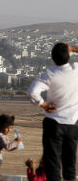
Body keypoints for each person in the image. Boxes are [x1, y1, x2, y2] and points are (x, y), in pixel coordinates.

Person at [28, 42, 78, 181]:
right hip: (72, 125)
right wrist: (73, 48)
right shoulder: (76, 70)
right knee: (70, 164)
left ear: (52, 57)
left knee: (52, 163)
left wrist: (43, 104)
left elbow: (32, 91)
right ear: (69, 56)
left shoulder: (50, 74)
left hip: (53, 123)